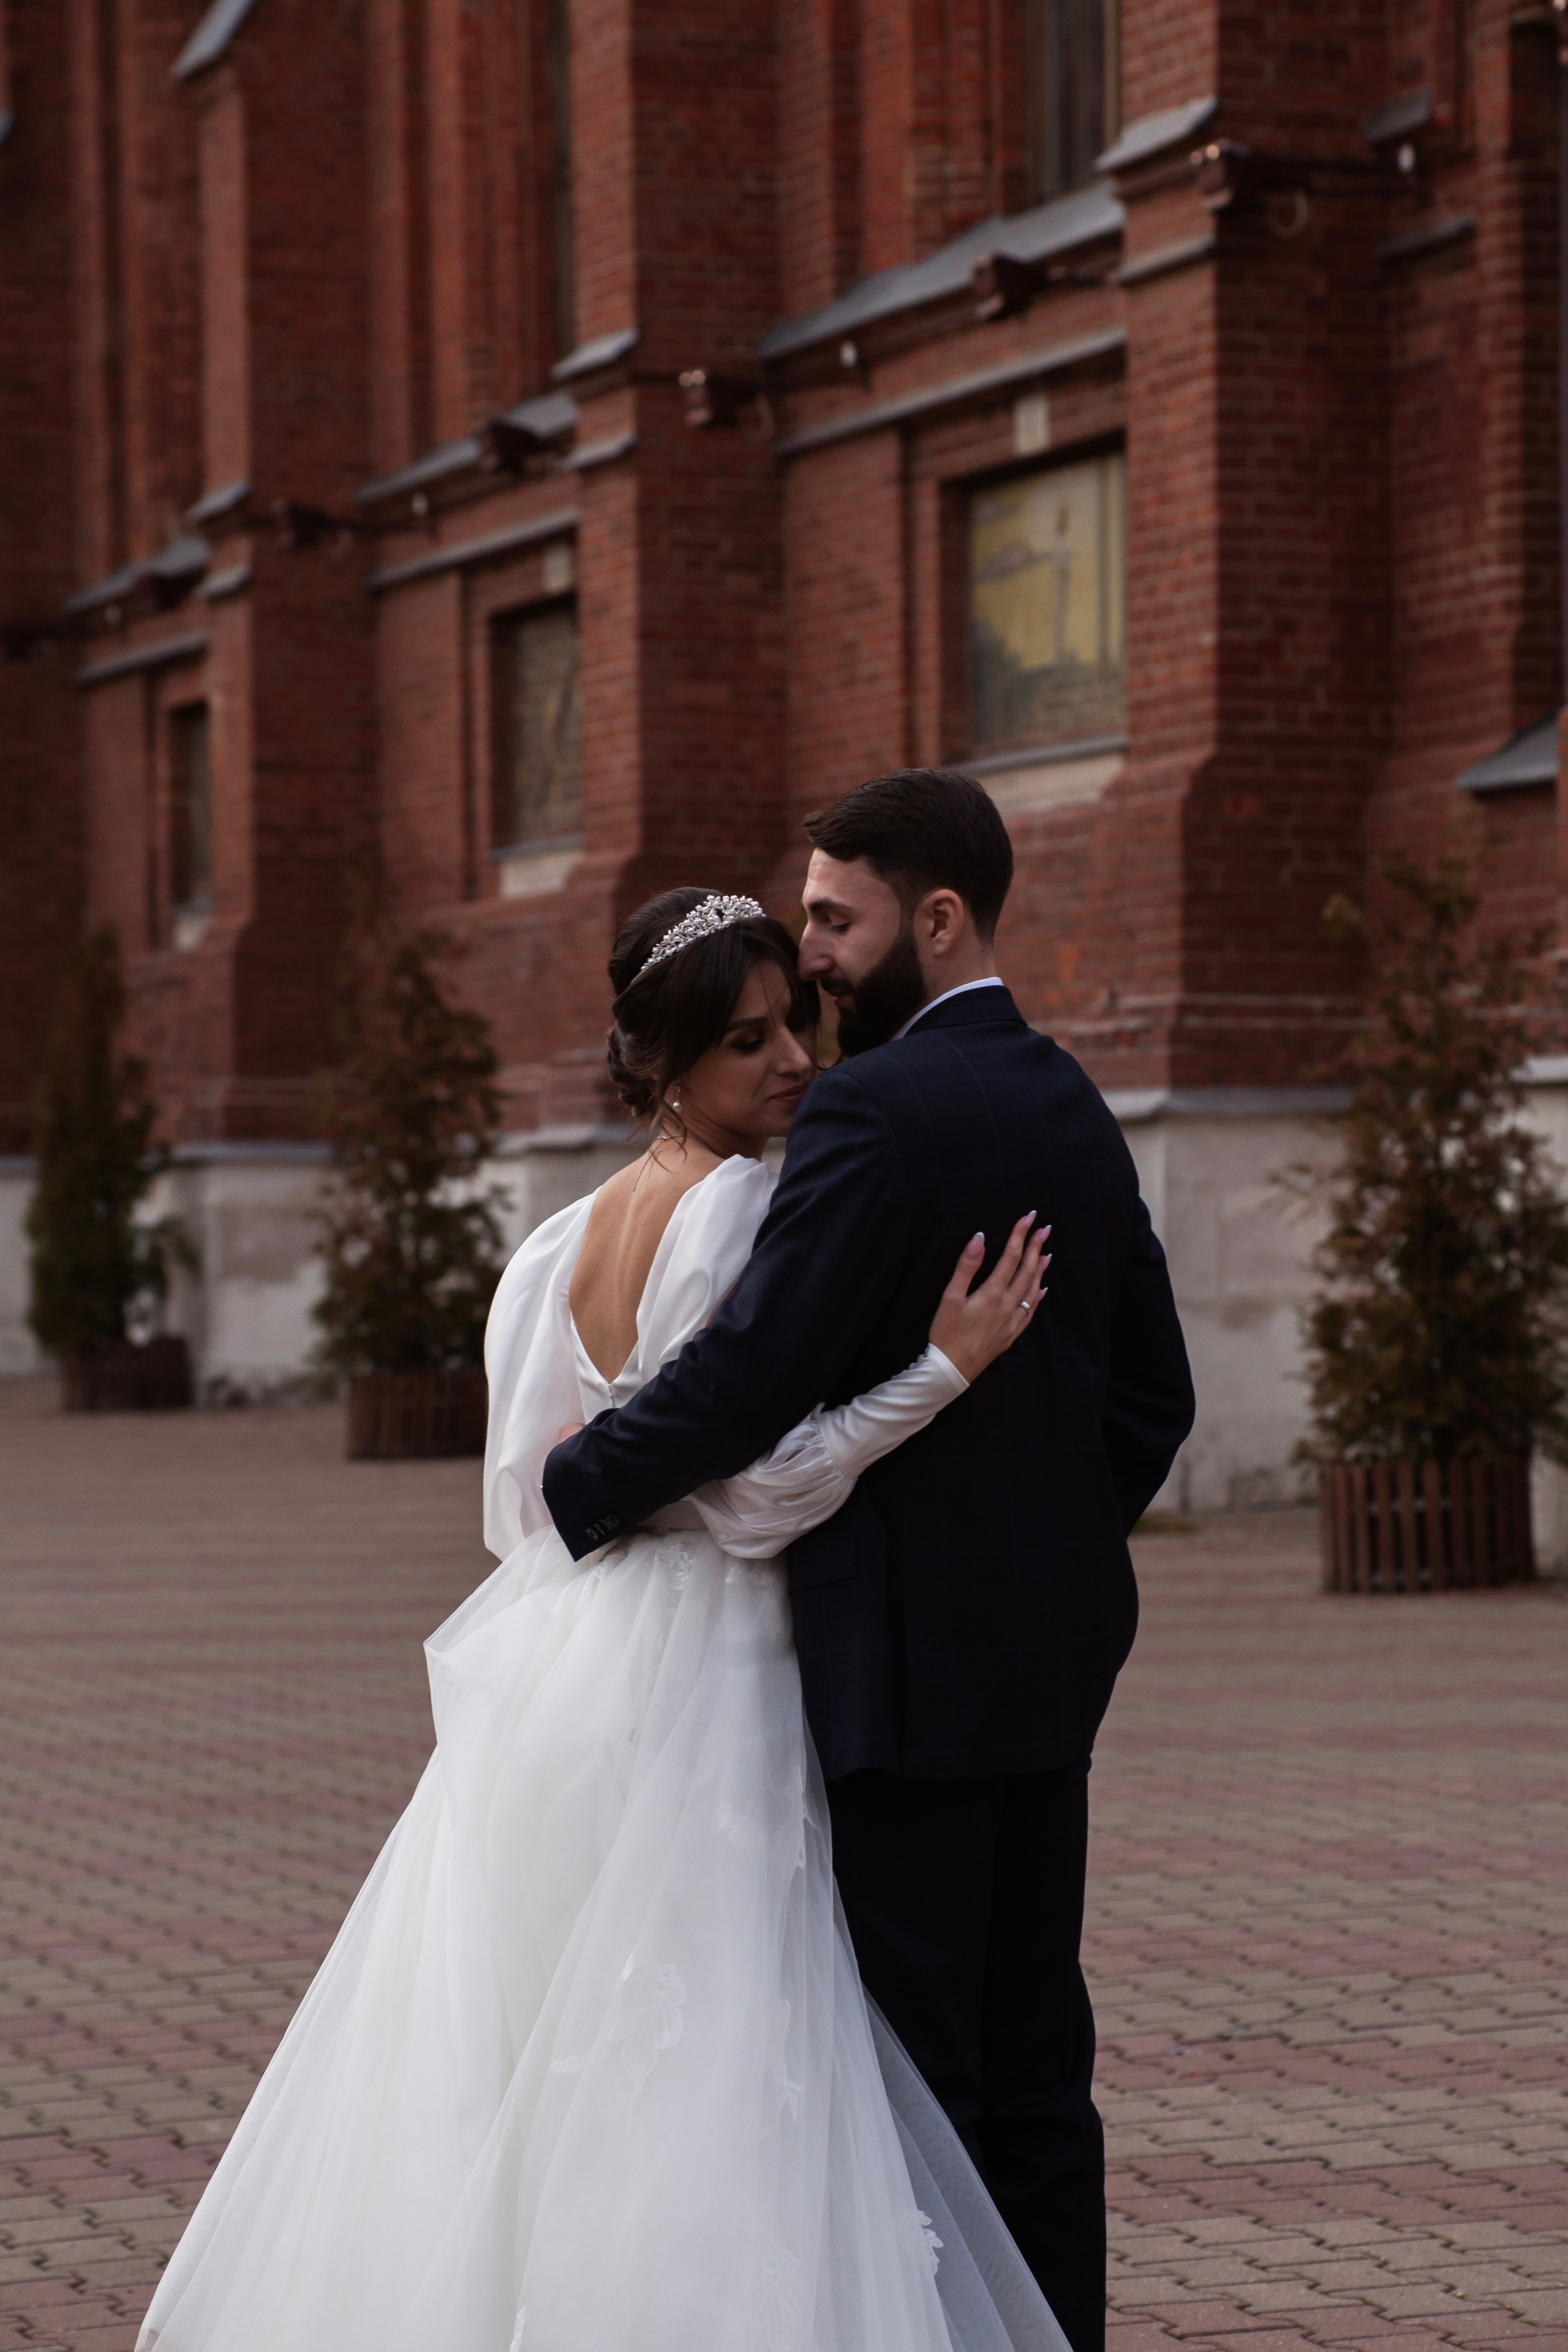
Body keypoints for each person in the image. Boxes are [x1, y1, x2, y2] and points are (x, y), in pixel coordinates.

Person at [137, 886, 1068, 2352]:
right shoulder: (747, 1209)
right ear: (664, 1066)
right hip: (714, 1673)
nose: (790, 1063)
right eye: (745, 1042)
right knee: (713, 2045)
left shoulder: (549, 1248)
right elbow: (757, 1502)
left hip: (560, 1671)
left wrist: (635, 1522)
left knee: (532, 2048)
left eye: (793, 1026)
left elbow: (521, 1511)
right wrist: (934, 1376)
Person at [545, 771, 1197, 2352]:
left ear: (941, 917)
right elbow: (1154, 1399)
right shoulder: (1070, 1100)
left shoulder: (869, 1111)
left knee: (913, 2079)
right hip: (1047, 1674)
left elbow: (754, 1374)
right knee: (1041, 2069)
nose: (815, 953)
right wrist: (1039, 1549)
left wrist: (586, 1480)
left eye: (837, 918)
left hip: (894, 1683)